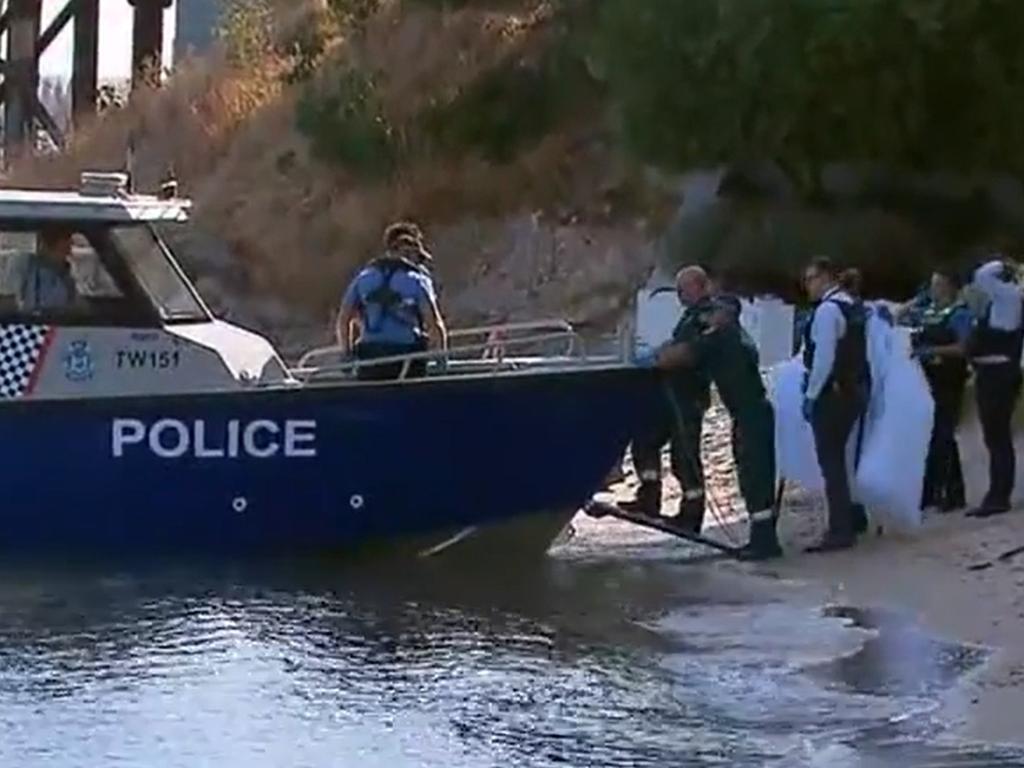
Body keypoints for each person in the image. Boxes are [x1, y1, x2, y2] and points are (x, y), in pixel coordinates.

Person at [656, 288, 784, 560]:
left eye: (713, 312)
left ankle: (764, 544)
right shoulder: (739, 335)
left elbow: (677, 357)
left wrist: (660, 353)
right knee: (755, 474)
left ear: (725, 314)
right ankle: (763, 537)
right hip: (754, 412)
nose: (708, 317)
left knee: (754, 475)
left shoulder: (719, 337)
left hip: (750, 414)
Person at [621, 266, 713, 533]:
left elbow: (688, 353)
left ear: (700, 286)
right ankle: (649, 497)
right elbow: (675, 344)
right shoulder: (690, 317)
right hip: (671, 395)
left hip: (689, 397)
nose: (681, 295)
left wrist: (659, 359)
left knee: (684, 457)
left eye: (685, 289)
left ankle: (691, 514)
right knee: (645, 439)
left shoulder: (705, 316)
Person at [801, 257, 872, 552]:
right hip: (854, 389)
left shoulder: (828, 311)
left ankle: (840, 529)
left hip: (833, 393)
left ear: (827, 277)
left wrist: (811, 395)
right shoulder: (853, 306)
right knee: (845, 457)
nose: (807, 286)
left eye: (811, 278)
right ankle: (853, 517)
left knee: (831, 462)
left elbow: (824, 358)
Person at [336, 222, 448, 381]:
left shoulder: (363, 278)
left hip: (370, 362)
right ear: (412, 253)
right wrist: (441, 361)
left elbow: (343, 320)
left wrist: (346, 355)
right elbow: (435, 326)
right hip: (407, 361)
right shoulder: (417, 280)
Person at [904, 269, 972, 512]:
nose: (935, 290)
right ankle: (932, 491)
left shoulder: (959, 314)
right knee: (931, 436)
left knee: (944, 434)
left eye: (940, 285)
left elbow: (964, 348)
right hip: (927, 380)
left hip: (949, 380)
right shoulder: (928, 312)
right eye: (933, 285)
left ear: (952, 287)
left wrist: (934, 352)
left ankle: (952, 491)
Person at [964, 257, 1024, 518]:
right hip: (991, 372)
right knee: (994, 436)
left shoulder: (1007, 299)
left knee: (997, 436)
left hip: (999, 372)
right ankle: (997, 492)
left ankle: (999, 495)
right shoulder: (999, 303)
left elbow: (982, 276)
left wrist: (1003, 263)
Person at [17, 226, 78, 312]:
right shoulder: (27, 267)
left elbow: (74, 307)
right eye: (67, 238)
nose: (69, 252)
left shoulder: (68, 276)